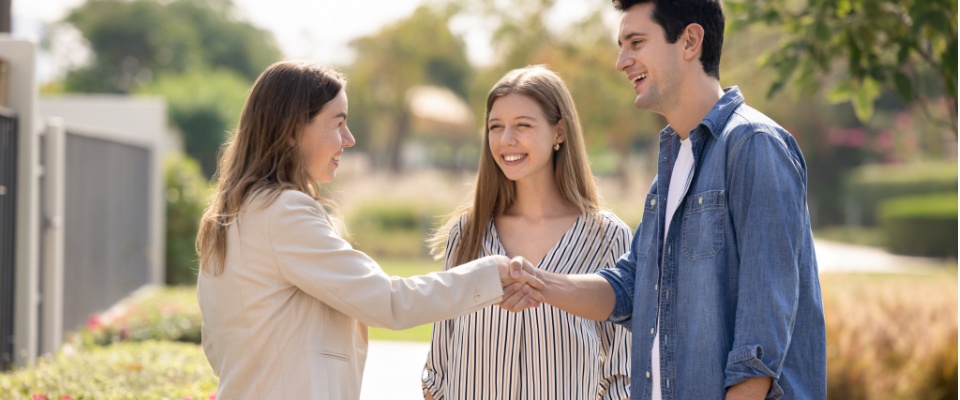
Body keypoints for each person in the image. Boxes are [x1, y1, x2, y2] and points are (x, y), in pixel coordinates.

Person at [515, 1, 828, 399]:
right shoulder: (673, 163)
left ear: (690, 41)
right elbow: (629, 287)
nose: (621, 61)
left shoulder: (753, 146)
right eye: (621, 45)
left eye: (636, 42)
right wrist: (538, 282)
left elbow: (760, 344)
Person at [194, 61, 544, 400]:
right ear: (291, 131)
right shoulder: (284, 212)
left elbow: (216, 344)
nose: (349, 139)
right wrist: (490, 273)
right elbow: (388, 302)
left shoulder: (233, 214)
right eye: (338, 123)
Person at [421, 65, 633, 400]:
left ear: (559, 132)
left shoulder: (607, 238)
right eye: (495, 127)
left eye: (523, 125)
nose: (506, 140)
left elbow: (624, 375)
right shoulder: (467, 233)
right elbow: (439, 368)